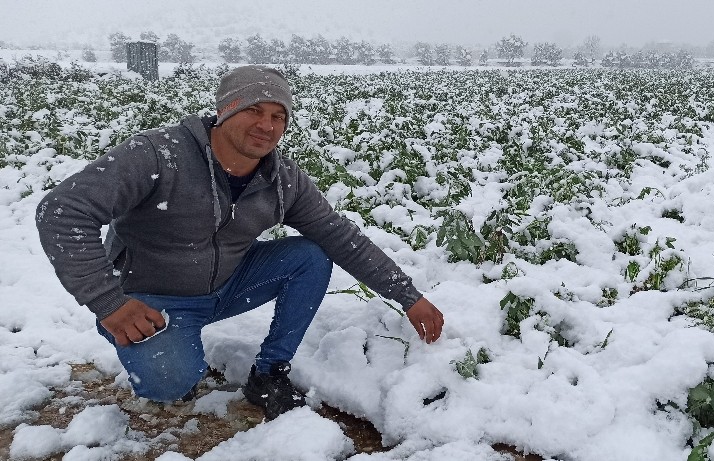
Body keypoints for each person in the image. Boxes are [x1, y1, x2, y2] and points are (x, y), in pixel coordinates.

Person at [35, 65, 444, 420]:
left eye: (278, 116)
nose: (266, 125)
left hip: (227, 285)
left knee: (311, 254)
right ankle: (172, 352)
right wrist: (110, 303)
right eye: (254, 110)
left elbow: (340, 236)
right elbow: (61, 211)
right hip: (151, 301)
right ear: (225, 110)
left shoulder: (281, 178)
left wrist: (408, 296)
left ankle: (268, 373)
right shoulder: (158, 155)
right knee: (169, 386)